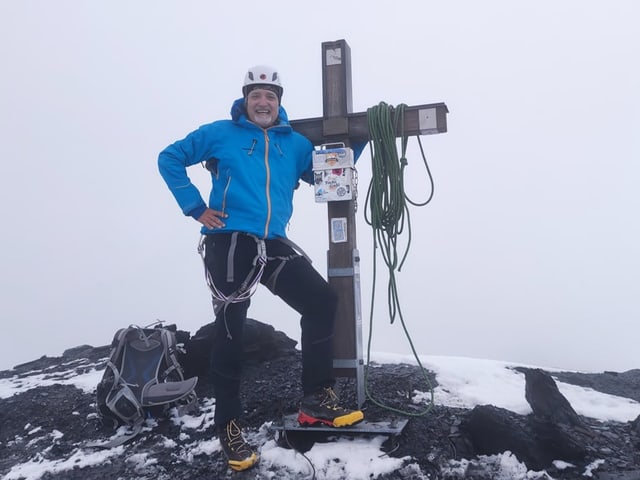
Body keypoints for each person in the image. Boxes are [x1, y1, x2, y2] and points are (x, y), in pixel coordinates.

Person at [158, 65, 364, 472]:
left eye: (271, 96)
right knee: (231, 329)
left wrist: (363, 139)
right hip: (230, 239)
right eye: (256, 95)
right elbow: (170, 158)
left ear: (279, 102)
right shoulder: (221, 133)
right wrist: (196, 208)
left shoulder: (297, 145)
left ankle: (315, 401)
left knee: (321, 301)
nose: (263, 102)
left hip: (273, 242)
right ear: (245, 100)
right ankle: (230, 429)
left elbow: (326, 174)